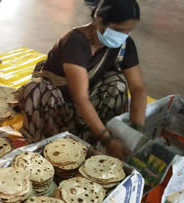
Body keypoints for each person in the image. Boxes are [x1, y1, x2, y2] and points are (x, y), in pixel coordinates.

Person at [18, 0, 147, 160]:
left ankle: (95, 145)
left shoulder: (124, 45)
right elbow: (81, 98)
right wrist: (107, 139)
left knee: (118, 83)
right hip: (57, 106)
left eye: (128, 31)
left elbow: (138, 88)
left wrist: (136, 131)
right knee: (35, 89)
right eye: (119, 30)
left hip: (85, 110)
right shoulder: (75, 42)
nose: (124, 36)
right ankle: (46, 151)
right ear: (99, 20)